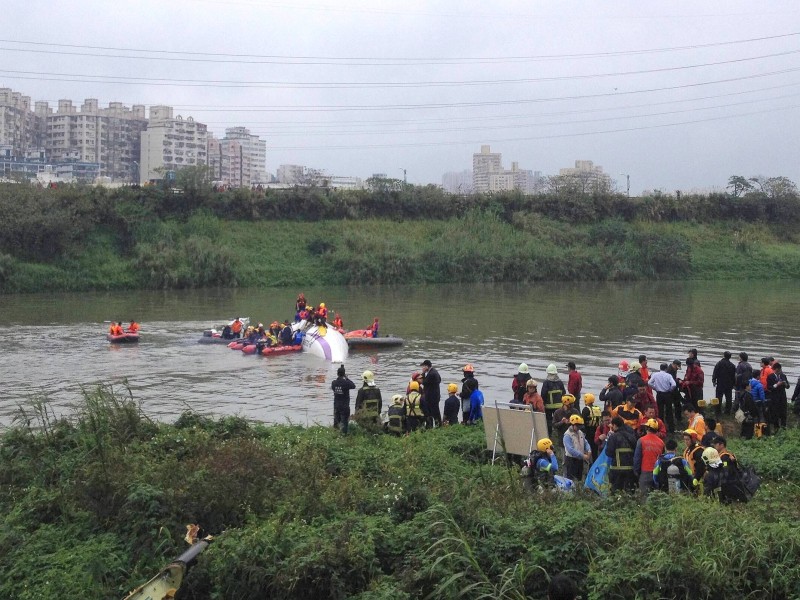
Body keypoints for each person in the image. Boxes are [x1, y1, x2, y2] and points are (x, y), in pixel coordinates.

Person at [633, 418, 666, 497]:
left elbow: (637, 458)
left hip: (645, 472)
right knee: (656, 497)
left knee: (644, 497)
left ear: (647, 428)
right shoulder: (661, 442)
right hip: (657, 473)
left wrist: (636, 472)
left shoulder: (641, 440)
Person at [605, 416, 638, 492]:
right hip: (630, 470)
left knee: (616, 493)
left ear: (615, 425)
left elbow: (609, 453)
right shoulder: (631, 437)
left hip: (616, 470)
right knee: (629, 492)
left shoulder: (613, 437)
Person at [649, 363, 677, 432]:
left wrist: (655, 388)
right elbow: (674, 384)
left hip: (659, 394)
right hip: (667, 394)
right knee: (669, 411)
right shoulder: (668, 375)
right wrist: (670, 389)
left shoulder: (655, 375)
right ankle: (671, 429)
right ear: (666, 368)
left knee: (660, 411)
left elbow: (649, 383)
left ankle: (659, 428)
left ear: (660, 368)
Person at [563, 414, 591, 482]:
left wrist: (589, 450)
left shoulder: (580, 432)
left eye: (580, 425)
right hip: (571, 460)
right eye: (577, 425)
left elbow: (585, 442)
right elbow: (570, 449)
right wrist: (582, 455)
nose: (579, 427)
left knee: (579, 479)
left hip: (580, 460)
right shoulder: (567, 435)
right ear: (572, 425)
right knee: (570, 480)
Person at [541, 364, 566, 436]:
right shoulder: (560, 382)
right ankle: (559, 435)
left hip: (548, 406)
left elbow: (543, 394)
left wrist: (543, 403)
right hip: (559, 406)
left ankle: (549, 434)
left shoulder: (546, 382)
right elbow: (564, 393)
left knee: (548, 421)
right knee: (559, 421)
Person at [766, 362, 790, 433]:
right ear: (776, 369)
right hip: (774, 398)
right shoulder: (770, 376)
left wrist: (785, 384)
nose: (780, 371)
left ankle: (783, 428)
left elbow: (788, 386)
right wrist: (777, 385)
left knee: (783, 413)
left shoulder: (783, 376)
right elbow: (769, 388)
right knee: (775, 413)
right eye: (779, 370)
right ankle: (776, 428)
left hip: (782, 397)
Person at [331, 365, 356, 434]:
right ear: (344, 374)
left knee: (336, 421)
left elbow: (333, 388)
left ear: (337, 373)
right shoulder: (346, 383)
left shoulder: (334, 383)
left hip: (336, 405)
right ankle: (344, 435)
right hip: (344, 406)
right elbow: (353, 386)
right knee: (344, 422)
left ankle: (335, 434)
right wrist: (347, 378)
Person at [712, 351, 736, 416]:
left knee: (718, 398)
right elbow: (734, 376)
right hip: (729, 384)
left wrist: (714, 380)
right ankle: (727, 412)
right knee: (728, 398)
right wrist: (734, 384)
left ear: (724, 355)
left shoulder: (719, 363)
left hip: (720, 383)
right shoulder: (732, 365)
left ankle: (717, 411)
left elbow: (715, 372)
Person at [420, 359, 442, 428]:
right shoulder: (435, 371)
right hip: (435, 396)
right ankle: (437, 424)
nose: (422, 368)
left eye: (423, 366)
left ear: (427, 366)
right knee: (435, 411)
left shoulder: (431, 374)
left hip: (432, 397)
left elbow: (424, 382)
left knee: (433, 412)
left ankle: (435, 425)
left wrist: (423, 374)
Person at [581, 393, 602, 459]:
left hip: (588, 431)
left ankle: (588, 461)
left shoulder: (586, 409)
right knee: (595, 448)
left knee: (588, 447)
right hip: (596, 430)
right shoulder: (597, 408)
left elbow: (582, 421)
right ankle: (595, 459)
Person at [749, 371, 768, 437]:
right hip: (758, 403)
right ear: (757, 376)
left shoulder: (749, 383)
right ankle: (759, 433)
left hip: (751, 403)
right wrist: (764, 404)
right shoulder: (759, 385)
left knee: (753, 418)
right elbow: (762, 397)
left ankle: (753, 432)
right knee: (760, 417)